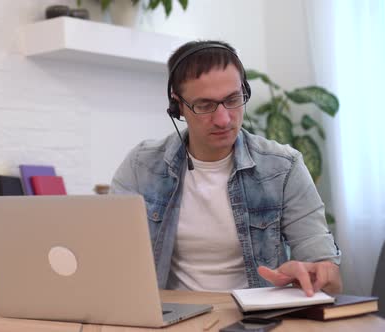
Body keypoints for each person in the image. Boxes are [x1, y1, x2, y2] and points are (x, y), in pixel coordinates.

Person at [110, 40, 342, 296]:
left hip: (256, 321)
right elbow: (109, 258)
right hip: (172, 318)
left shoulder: (283, 167)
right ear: (177, 107)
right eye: (205, 105)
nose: (223, 119)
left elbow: (330, 280)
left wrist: (311, 275)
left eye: (233, 99)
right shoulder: (141, 166)